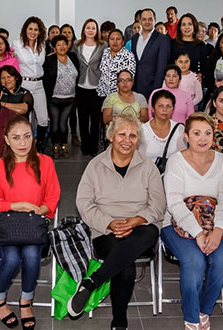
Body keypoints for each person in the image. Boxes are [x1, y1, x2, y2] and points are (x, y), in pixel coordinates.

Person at [71, 112, 165, 329]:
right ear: (110, 136)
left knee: (151, 231)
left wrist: (137, 220)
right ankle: (120, 322)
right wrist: (109, 223)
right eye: (122, 134)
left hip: (140, 228)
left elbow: (158, 206)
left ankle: (92, 282)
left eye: (133, 136)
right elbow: (84, 204)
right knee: (125, 266)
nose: (127, 140)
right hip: (105, 231)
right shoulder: (95, 166)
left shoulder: (148, 167)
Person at [0, 115, 60, 330]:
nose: (23, 143)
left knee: (31, 255)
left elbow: (52, 197)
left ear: (33, 137)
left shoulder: (45, 162)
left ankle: (26, 300)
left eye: (27, 137)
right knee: (11, 257)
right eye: (16, 138)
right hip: (6, 228)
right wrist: (18, 205)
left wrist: (40, 209)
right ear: (7, 140)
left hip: (33, 227)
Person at [162, 112, 223, 330]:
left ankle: (204, 309)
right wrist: (198, 233)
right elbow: (174, 204)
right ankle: (192, 319)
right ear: (186, 136)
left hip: (214, 222)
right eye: (196, 133)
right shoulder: (176, 162)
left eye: (207, 133)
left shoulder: (222, 161)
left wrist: (217, 230)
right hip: (177, 223)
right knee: (194, 262)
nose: (202, 138)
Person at [12, 17, 49, 152]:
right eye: (30, 29)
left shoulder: (42, 46)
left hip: (39, 84)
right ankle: (24, 148)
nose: (33, 32)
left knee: (43, 119)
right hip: (24, 84)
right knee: (24, 119)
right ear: (25, 30)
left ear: (39, 32)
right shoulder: (17, 45)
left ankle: (39, 148)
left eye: (36, 29)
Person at [43, 35, 80, 159]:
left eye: (64, 44)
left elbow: (78, 74)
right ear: (54, 47)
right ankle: (55, 145)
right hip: (54, 98)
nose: (62, 47)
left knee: (63, 124)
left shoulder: (73, 57)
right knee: (55, 124)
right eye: (59, 45)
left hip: (70, 98)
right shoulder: (49, 60)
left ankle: (64, 145)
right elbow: (46, 80)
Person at [74, 18, 108, 154]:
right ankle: (85, 146)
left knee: (95, 119)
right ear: (83, 29)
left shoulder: (103, 45)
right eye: (88, 27)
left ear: (97, 30)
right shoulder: (76, 44)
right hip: (81, 85)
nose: (90, 30)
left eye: (93, 28)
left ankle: (93, 147)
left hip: (96, 86)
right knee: (82, 118)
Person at [131, 8, 171, 99]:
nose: (147, 22)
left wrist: (156, 91)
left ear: (155, 20)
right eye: (144, 19)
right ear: (139, 20)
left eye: (150, 19)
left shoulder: (162, 39)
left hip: (153, 87)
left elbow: (162, 67)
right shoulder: (135, 38)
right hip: (135, 87)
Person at [139, 89, 186, 162]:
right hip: (147, 172)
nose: (164, 109)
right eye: (160, 106)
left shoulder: (179, 129)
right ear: (153, 109)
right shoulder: (142, 130)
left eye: (168, 106)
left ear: (173, 109)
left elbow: (183, 157)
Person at [97, 29, 137, 99]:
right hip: (103, 94)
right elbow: (102, 72)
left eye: (118, 39)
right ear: (108, 41)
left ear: (123, 42)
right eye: (112, 39)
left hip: (120, 96)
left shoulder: (128, 55)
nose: (115, 42)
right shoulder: (106, 52)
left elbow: (130, 78)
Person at [172, 13, 210, 78]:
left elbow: (205, 65)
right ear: (180, 28)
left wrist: (201, 74)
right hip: (175, 80)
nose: (186, 27)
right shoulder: (172, 43)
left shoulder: (201, 45)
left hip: (194, 81)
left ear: (194, 26)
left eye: (190, 24)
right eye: (183, 24)